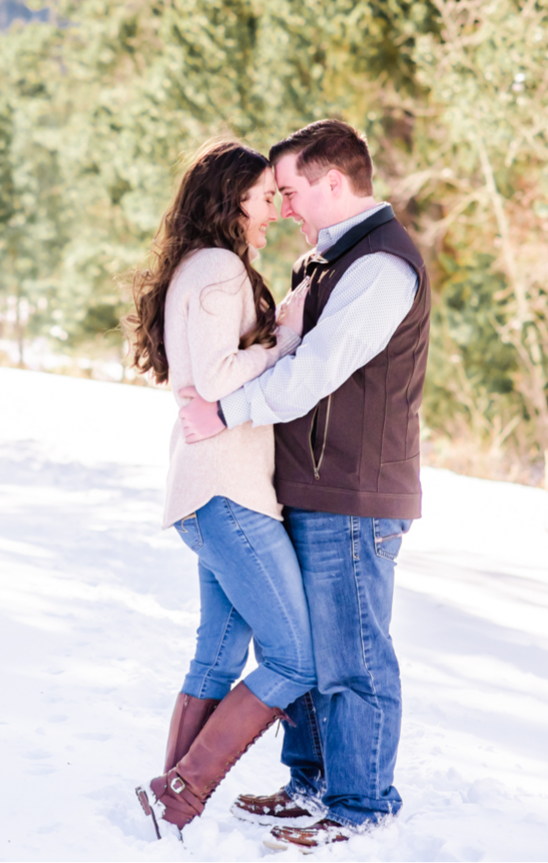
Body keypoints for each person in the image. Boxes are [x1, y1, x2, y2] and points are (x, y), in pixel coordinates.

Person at [178, 119, 431, 850]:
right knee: (313, 652)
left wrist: (225, 411)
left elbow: (316, 372)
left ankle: (361, 803)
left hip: (354, 488)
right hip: (310, 484)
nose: (281, 204)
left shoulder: (380, 266)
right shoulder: (326, 262)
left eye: (288, 189)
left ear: (332, 182)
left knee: (352, 653)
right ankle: (312, 785)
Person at [125, 138, 320, 839]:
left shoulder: (199, 267)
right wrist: (286, 337)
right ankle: (179, 794)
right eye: (266, 196)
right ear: (233, 198)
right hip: (228, 495)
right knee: (295, 657)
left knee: (218, 652)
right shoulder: (216, 268)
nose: (274, 210)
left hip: (209, 495)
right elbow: (213, 378)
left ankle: (166, 804)